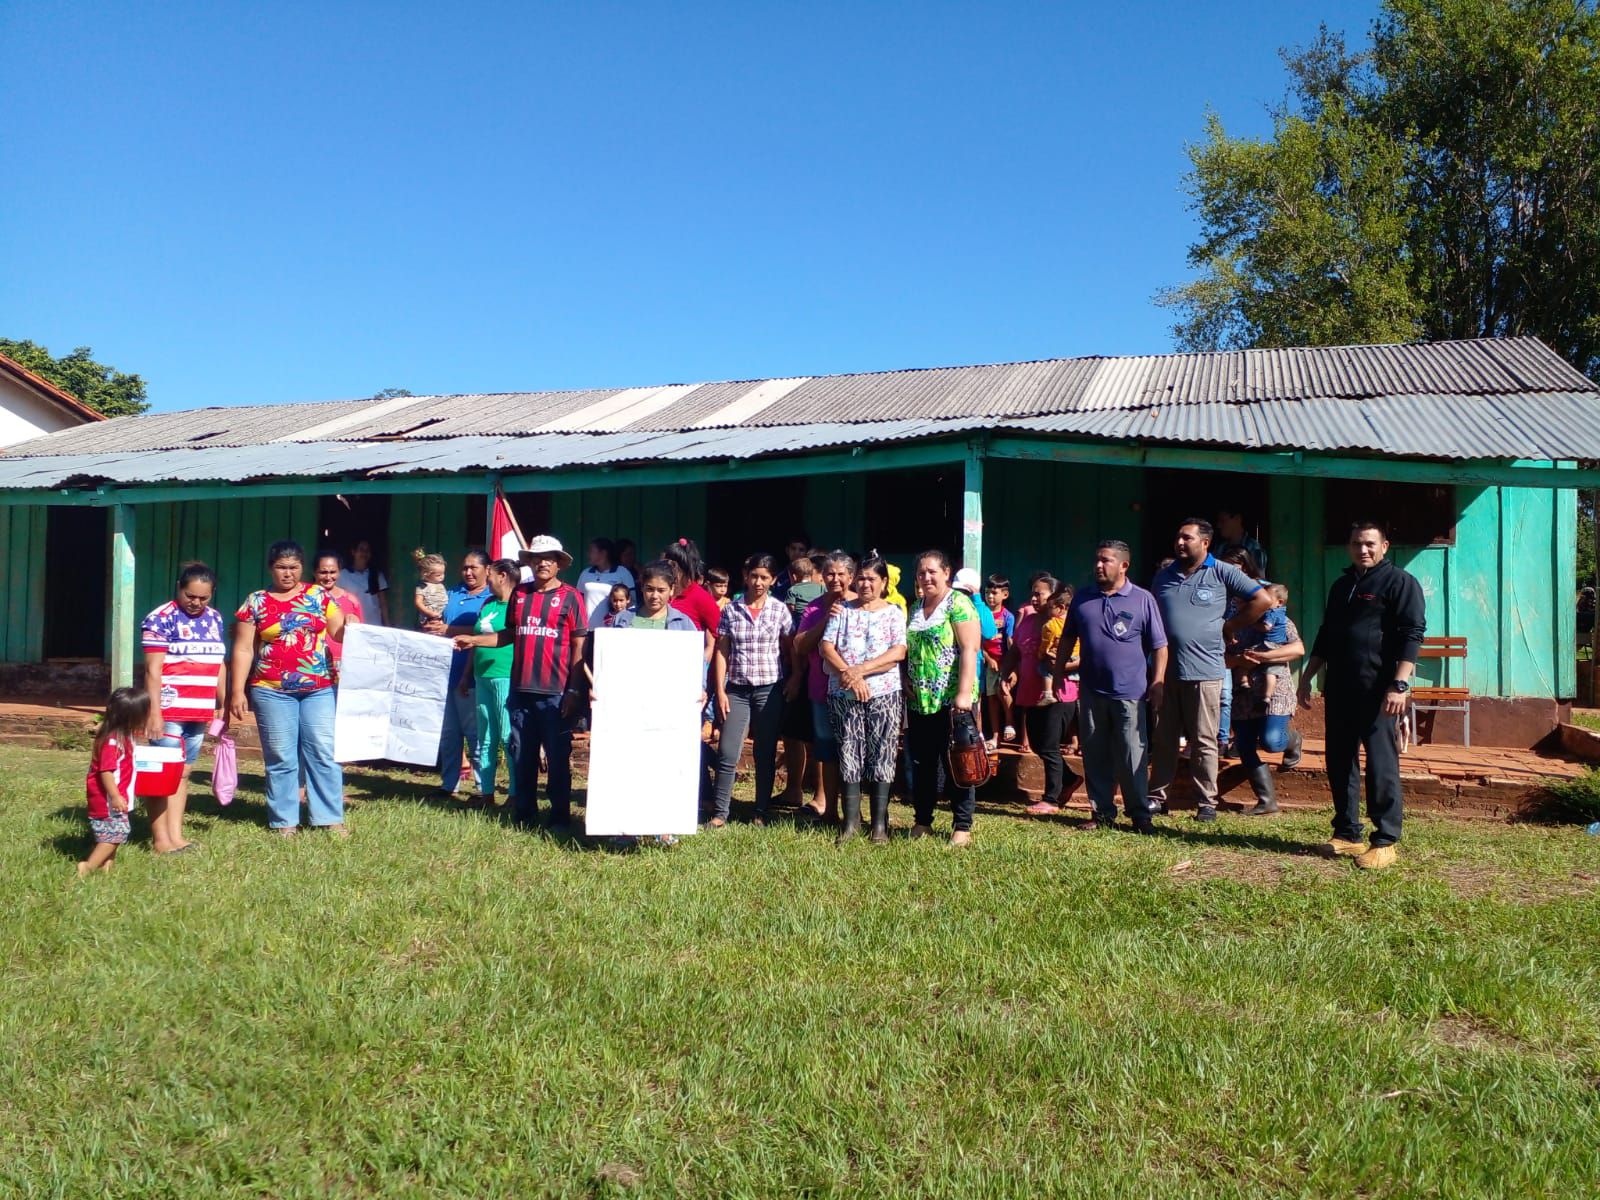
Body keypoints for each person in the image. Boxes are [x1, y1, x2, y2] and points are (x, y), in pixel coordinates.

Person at [1298, 520, 1427, 870]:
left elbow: (1412, 634)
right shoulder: (1342, 586)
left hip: (1379, 690)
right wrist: (1308, 676)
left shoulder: (1399, 582)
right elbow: (1326, 634)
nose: (1363, 549)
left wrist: (1399, 684)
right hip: (1340, 687)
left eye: (1370, 543)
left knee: (1381, 763)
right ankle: (1347, 833)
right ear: (1348, 547)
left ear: (1385, 546)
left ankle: (1385, 840)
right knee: (1339, 760)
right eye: (1356, 543)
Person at [455, 535, 586, 828]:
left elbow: (579, 646)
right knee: (521, 755)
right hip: (520, 691)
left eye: (549, 558)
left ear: (558, 564)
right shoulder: (520, 595)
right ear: (529, 562)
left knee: (556, 758)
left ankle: (560, 817)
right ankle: (525, 816)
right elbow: (508, 635)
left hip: (556, 693)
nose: (543, 563)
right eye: (537, 558)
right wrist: (474, 640)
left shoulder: (571, 597)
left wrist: (574, 690)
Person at [1147, 519, 1271, 822]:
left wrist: (1230, 625)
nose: (1179, 543)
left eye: (1186, 538)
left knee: (1203, 740)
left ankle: (1206, 803)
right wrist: (1154, 676)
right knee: (1164, 738)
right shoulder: (1163, 577)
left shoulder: (1222, 571)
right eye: (1177, 537)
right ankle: (1156, 797)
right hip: (1167, 671)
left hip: (1205, 670)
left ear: (1205, 543)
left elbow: (1263, 599)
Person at [229, 540, 347, 836]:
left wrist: (353, 624)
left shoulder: (318, 595)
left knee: (323, 751)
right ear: (271, 568)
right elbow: (243, 649)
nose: (288, 574)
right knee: (281, 755)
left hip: (319, 688)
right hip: (270, 689)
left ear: (302, 568)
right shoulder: (256, 601)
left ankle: (330, 818)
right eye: (281, 567)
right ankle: (285, 821)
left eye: (294, 567)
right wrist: (236, 691)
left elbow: (339, 632)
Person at [584, 559, 704, 845]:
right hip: (628, 707)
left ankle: (664, 824)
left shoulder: (683, 624)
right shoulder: (623, 620)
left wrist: (700, 689)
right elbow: (607, 663)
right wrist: (598, 689)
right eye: (649, 589)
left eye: (661, 590)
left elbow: (695, 664)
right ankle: (626, 826)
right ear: (641, 588)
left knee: (665, 763)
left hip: (667, 709)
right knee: (628, 763)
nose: (655, 595)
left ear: (672, 590)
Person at [1059, 540, 1167, 833]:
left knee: (1132, 753)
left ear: (1123, 565)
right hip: (1092, 690)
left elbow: (1159, 645)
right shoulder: (1083, 598)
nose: (1098, 565)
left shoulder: (1142, 599)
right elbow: (1068, 638)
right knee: (1095, 753)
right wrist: (1058, 673)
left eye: (1106, 560)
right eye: (1097, 559)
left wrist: (1157, 682)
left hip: (1131, 692)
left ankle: (1139, 814)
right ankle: (1102, 812)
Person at [140, 561, 228, 854]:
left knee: (184, 772)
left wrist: (221, 703)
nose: (196, 603)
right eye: (190, 596)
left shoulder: (214, 618)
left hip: (199, 710)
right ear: (179, 588)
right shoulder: (160, 619)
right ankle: (160, 838)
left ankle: (176, 835)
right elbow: (153, 670)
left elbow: (219, 664)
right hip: (169, 710)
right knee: (163, 773)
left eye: (203, 597)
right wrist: (154, 713)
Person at [820, 555, 907, 844]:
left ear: (884, 583)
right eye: (862, 578)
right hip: (844, 692)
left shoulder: (894, 612)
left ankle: (880, 825)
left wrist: (861, 670)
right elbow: (826, 646)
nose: (866, 583)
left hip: (884, 691)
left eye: (872, 578)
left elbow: (897, 652)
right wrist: (849, 674)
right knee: (849, 751)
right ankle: (851, 823)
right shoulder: (842, 610)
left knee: (882, 753)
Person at [904, 550, 982, 845]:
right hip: (919, 699)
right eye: (921, 572)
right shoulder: (915, 607)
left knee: (958, 763)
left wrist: (963, 694)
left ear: (947, 573)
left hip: (951, 700)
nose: (926, 577)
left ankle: (962, 826)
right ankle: (922, 821)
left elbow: (969, 649)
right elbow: (907, 651)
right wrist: (904, 678)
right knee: (923, 763)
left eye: (932, 571)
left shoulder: (958, 604)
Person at [711, 553, 794, 826]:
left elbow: (790, 647)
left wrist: (795, 676)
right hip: (737, 688)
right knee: (727, 751)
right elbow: (722, 650)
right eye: (754, 576)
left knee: (765, 750)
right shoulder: (731, 610)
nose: (758, 582)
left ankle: (761, 810)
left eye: (765, 578)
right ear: (746, 577)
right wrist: (720, 690)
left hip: (769, 688)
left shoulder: (779, 610)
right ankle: (720, 812)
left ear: (772, 580)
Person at [1004, 575, 1082, 817]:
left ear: (1055, 598)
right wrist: (1005, 674)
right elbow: (1015, 651)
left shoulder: (1065, 623)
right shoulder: (1027, 621)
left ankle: (1051, 799)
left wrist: (1064, 666)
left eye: (1040, 594)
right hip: (1031, 694)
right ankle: (1070, 780)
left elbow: (1082, 654)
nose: (1034, 598)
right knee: (1038, 744)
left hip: (1059, 694)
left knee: (1048, 745)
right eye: (1033, 593)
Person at [789, 550, 858, 821]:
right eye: (830, 573)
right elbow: (801, 644)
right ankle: (829, 811)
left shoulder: (861, 603)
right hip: (821, 690)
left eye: (841, 574)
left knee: (853, 751)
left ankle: (853, 814)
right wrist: (827, 618)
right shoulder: (815, 607)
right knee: (827, 750)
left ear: (851, 577)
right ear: (821, 576)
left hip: (855, 691)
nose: (835, 579)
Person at [1227, 597, 1307, 816]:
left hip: (1274, 689)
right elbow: (1220, 658)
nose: (1240, 604)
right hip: (1243, 693)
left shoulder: (1279, 619)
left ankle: (1294, 739)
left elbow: (1298, 649)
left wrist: (1264, 657)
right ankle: (1267, 802)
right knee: (1244, 745)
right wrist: (1239, 661)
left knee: (1272, 741)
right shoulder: (1230, 624)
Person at [424, 551, 491, 801]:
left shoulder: (489, 598)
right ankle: (449, 784)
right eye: (465, 568)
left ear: (487, 569)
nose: (468, 572)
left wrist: (448, 629)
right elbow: (436, 618)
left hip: (471, 675)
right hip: (444, 673)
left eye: (474, 567)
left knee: (475, 734)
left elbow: (482, 630)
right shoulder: (452, 593)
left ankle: (483, 787)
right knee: (449, 733)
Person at [467, 558, 521, 806]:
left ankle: (514, 793)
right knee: (485, 734)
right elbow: (476, 638)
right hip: (482, 675)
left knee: (507, 735)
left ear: (502, 576)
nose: (486, 578)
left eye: (489, 574)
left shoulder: (517, 604)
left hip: (504, 674)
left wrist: (474, 640)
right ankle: (486, 791)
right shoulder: (488, 603)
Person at [79, 687, 149, 876]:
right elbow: (106, 772)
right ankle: (87, 867)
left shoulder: (124, 737)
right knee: (113, 836)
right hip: (108, 800)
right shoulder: (112, 741)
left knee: (115, 834)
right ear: (131, 716)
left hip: (117, 798)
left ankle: (107, 868)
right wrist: (115, 796)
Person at [314, 552, 365, 679]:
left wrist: (355, 622)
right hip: (312, 663)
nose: (328, 577)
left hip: (342, 664)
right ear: (314, 572)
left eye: (333, 572)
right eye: (323, 572)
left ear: (339, 572)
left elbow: (360, 636)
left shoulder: (351, 600)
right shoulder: (305, 599)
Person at [981, 573, 1017, 746]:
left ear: (1005, 595)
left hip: (1005, 662)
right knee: (991, 698)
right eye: (987, 592)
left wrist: (1012, 667)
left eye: (994, 593)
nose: (990, 596)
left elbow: (1011, 642)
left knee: (1004, 692)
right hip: (989, 663)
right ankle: (995, 736)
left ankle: (1010, 722)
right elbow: (977, 641)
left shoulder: (1008, 617)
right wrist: (988, 658)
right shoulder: (981, 614)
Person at [576, 537, 636, 630]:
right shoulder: (585, 573)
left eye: (591, 551)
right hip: (587, 629)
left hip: (612, 630)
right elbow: (578, 601)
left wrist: (622, 622)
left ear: (603, 553)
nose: (588, 554)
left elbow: (632, 601)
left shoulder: (622, 572)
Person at [338, 539, 389, 626]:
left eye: (367, 551)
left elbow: (383, 603)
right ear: (353, 552)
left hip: (374, 624)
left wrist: (387, 625)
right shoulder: (343, 575)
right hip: (352, 624)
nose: (364, 553)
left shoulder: (377, 575)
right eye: (361, 550)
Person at [1215, 507, 1268, 579]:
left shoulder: (1254, 548)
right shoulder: (1220, 548)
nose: (1219, 525)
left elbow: (1260, 579)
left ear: (1237, 518)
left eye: (1223, 521)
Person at [413, 549, 449, 628]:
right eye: (438, 575)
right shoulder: (423, 586)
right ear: (426, 574)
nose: (442, 577)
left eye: (443, 574)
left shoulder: (441, 585)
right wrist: (429, 613)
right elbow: (418, 602)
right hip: (428, 617)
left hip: (442, 616)